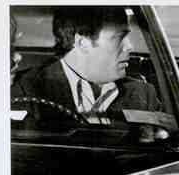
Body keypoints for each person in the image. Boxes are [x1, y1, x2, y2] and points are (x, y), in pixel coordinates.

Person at [11, 6, 160, 118]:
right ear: (83, 43)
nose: (129, 46)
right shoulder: (24, 90)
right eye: (119, 37)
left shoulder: (144, 94)